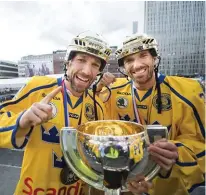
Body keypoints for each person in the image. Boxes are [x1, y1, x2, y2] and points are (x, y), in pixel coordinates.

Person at [0, 31, 115, 195]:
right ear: (68, 62)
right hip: (31, 191)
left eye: (95, 65)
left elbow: (95, 160)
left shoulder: (98, 107)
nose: (87, 71)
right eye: (81, 60)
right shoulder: (38, 87)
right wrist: (22, 122)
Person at [96, 33, 205, 195]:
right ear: (123, 68)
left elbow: (200, 143)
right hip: (130, 184)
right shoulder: (113, 92)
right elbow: (91, 109)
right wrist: (97, 86)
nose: (136, 65)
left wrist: (177, 152)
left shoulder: (187, 91)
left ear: (155, 58)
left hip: (171, 187)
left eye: (143, 56)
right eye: (129, 60)